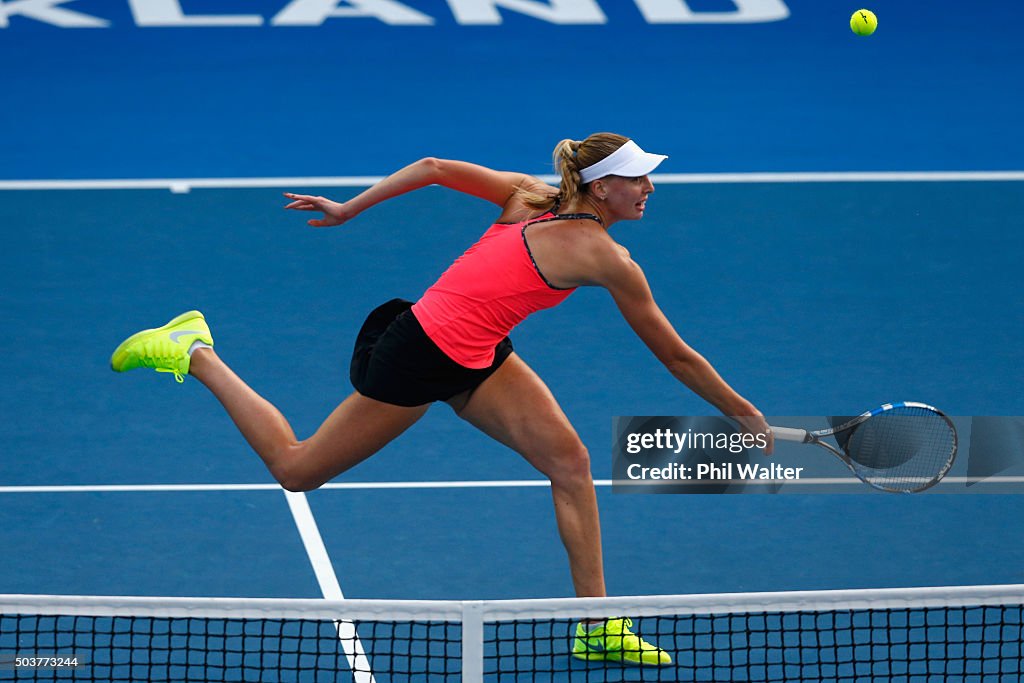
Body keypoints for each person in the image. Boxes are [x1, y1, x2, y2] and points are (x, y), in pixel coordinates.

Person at [110, 132, 774, 666]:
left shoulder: (529, 196)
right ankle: (195, 351)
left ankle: (596, 626)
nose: (649, 189)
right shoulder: (607, 258)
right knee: (296, 467)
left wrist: (348, 207)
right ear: (601, 187)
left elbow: (431, 166)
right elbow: (675, 353)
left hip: (479, 351)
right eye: (638, 179)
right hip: (420, 352)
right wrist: (742, 411)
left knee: (569, 464)